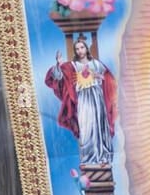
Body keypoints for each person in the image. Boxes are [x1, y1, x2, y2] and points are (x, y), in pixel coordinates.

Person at [46, 35, 117, 167]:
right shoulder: (72, 65)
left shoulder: (96, 64)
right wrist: (58, 63)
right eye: (77, 48)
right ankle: (88, 158)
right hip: (82, 99)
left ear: (86, 48)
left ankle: (103, 157)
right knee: (85, 126)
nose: (79, 51)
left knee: (99, 126)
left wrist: (98, 75)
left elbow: (109, 80)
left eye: (82, 47)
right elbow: (57, 76)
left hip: (96, 97)